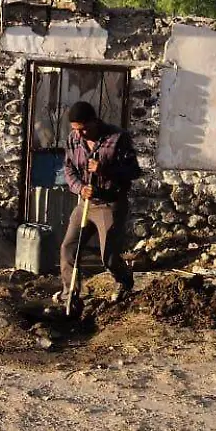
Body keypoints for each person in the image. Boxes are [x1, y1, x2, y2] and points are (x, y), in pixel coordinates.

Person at [57, 100, 141, 306]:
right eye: (76, 130)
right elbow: (69, 170)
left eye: (83, 129)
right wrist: (79, 188)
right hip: (86, 202)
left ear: (94, 121)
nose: (80, 134)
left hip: (111, 203)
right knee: (69, 248)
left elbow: (134, 171)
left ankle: (124, 281)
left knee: (108, 257)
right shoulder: (73, 139)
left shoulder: (117, 138)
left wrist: (104, 168)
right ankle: (70, 295)